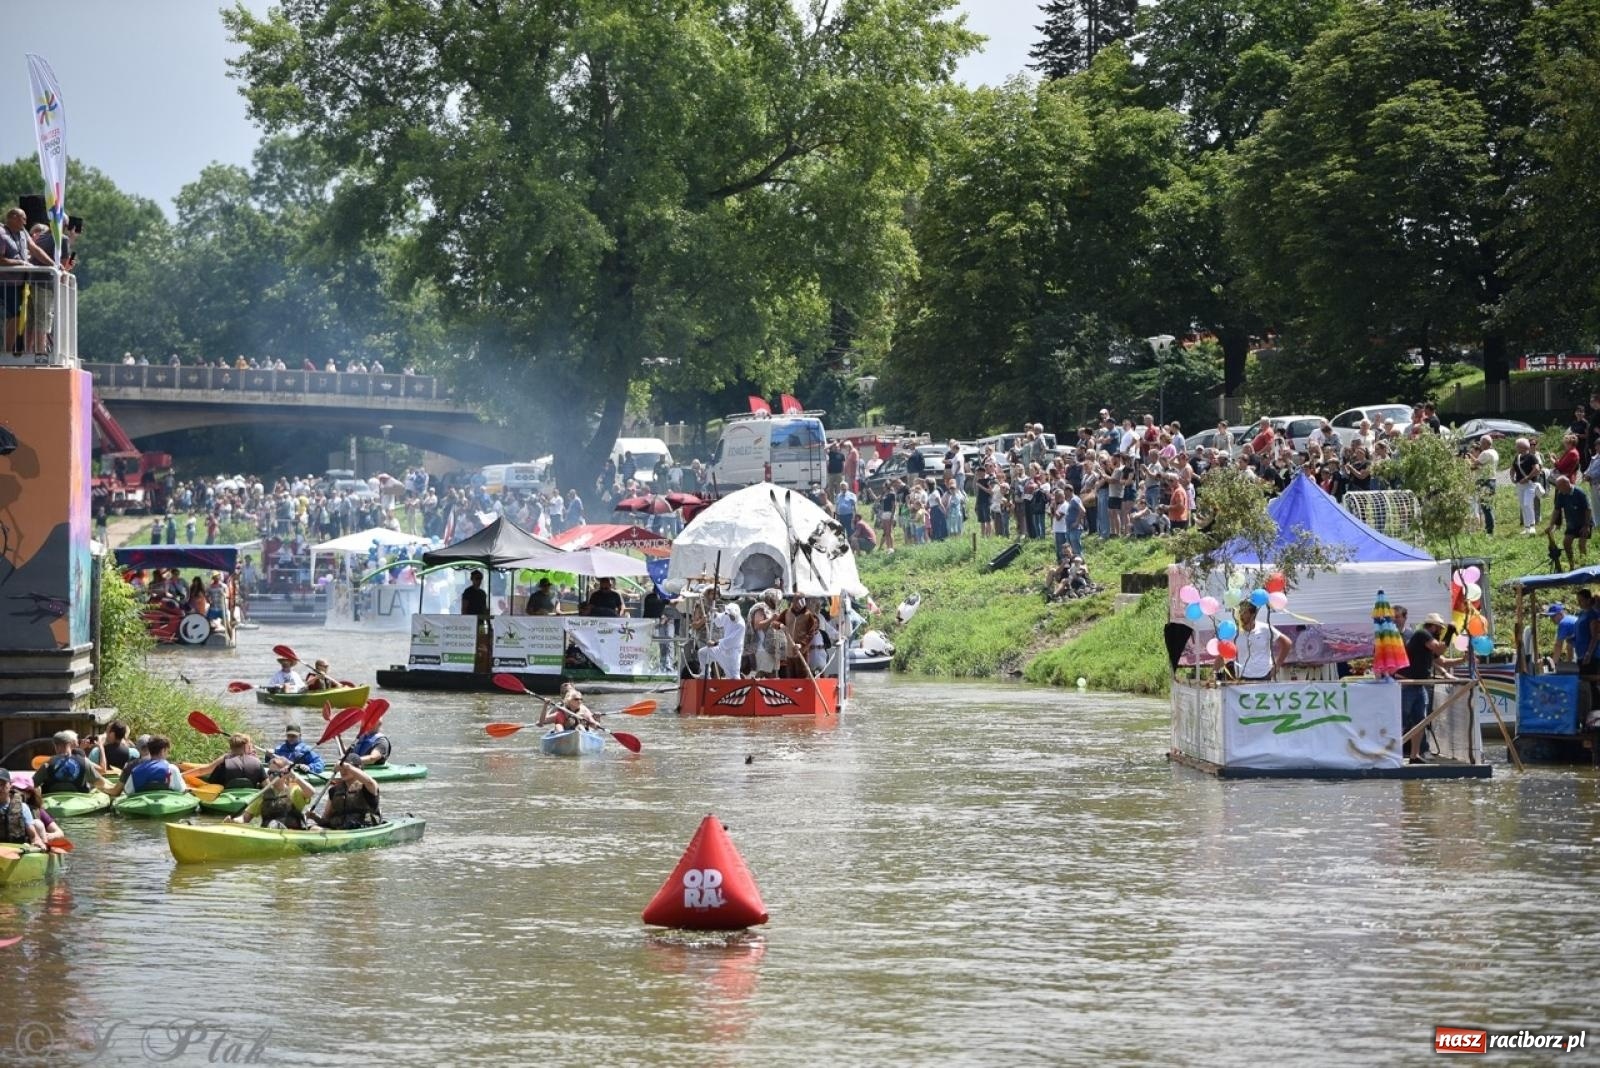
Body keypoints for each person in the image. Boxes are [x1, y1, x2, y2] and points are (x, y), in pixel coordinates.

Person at [1399, 613, 1463, 764]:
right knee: (1401, 721)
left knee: (1420, 721)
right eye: (1440, 629)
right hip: (1408, 684)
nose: (1441, 631)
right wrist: (1450, 632)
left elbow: (1444, 661)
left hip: (1419, 685)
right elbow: (1440, 649)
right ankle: (1389, 754)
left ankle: (1414, 756)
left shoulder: (1427, 645)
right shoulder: (1422, 634)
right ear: (1433, 627)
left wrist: (1463, 659)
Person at [229, 756, 314, 829]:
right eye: (269, 772)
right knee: (272, 824)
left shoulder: (295, 791)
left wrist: (294, 776)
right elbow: (245, 818)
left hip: (292, 833)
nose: (271, 776)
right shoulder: (263, 794)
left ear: (285, 775)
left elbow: (311, 792)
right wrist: (233, 821)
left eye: (275, 773)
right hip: (269, 834)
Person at [100, 735, 187, 797]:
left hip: (142, 803)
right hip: (168, 800)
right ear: (163, 750)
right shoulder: (171, 769)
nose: (167, 754)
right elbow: (181, 790)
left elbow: (128, 791)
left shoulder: (135, 771)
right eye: (167, 751)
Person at [1225, 601, 1291, 681]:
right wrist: (1214, 673)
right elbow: (1223, 653)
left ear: (1253, 614)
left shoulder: (1265, 628)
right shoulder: (1234, 631)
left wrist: (1277, 666)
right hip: (1242, 677)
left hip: (1264, 675)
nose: (1241, 615)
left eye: (1244, 612)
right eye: (1239, 612)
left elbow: (1287, 643)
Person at [310, 758, 382, 830]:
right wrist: (314, 817)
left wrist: (347, 766)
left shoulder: (368, 786)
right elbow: (325, 819)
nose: (343, 771)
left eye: (346, 768)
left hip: (363, 828)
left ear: (358, 768)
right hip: (339, 830)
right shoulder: (334, 790)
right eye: (341, 768)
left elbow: (369, 781)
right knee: (313, 828)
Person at [34, 730, 103, 795]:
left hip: (52, 805)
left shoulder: (47, 764)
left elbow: (32, 785)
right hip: (80, 803)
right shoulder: (84, 762)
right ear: (70, 744)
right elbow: (100, 783)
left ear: (55, 746)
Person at [1545, 474, 1592, 570]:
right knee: (1566, 543)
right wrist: (1551, 525)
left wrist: (1586, 526)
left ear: (1566, 484)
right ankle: (1572, 565)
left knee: (1581, 544)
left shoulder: (1579, 493)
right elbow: (1556, 510)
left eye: (1559, 487)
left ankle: (1584, 567)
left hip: (1584, 523)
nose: (1557, 489)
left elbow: (1588, 510)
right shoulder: (1561, 495)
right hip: (1572, 524)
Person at [194, 733, 266, 790]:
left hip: (228, 798)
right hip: (251, 797)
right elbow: (266, 785)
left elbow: (212, 786)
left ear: (231, 747)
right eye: (250, 745)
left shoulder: (223, 764)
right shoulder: (257, 763)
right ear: (246, 747)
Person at [0, 769, 49, 849]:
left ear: (10, 785)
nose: (0, 788)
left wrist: (37, 842)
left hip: (17, 849)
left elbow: (34, 837)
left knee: (38, 824)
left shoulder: (23, 807)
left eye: (3, 784)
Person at [777, 595, 821, 678]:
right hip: (789, 653)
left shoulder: (811, 617)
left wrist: (801, 644)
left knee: (802, 676)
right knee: (791, 678)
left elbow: (810, 634)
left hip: (802, 653)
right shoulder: (787, 614)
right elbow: (776, 623)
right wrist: (781, 625)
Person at [704, 602, 745, 679]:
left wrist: (714, 643)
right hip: (722, 649)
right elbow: (719, 622)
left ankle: (739, 689)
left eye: (732, 616)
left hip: (733, 653)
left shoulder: (741, 625)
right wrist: (715, 614)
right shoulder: (727, 615)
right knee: (703, 653)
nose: (730, 617)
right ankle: (705, 675)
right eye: (729, 615)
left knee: (734, 676)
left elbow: (731, 641)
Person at [749, 589, 783, 678]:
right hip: (763, 649)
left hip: (774, 649)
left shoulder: (774, 610)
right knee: (762, 673)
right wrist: (772, 619)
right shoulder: (760, 609)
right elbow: (757, 625)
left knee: (773, 676)